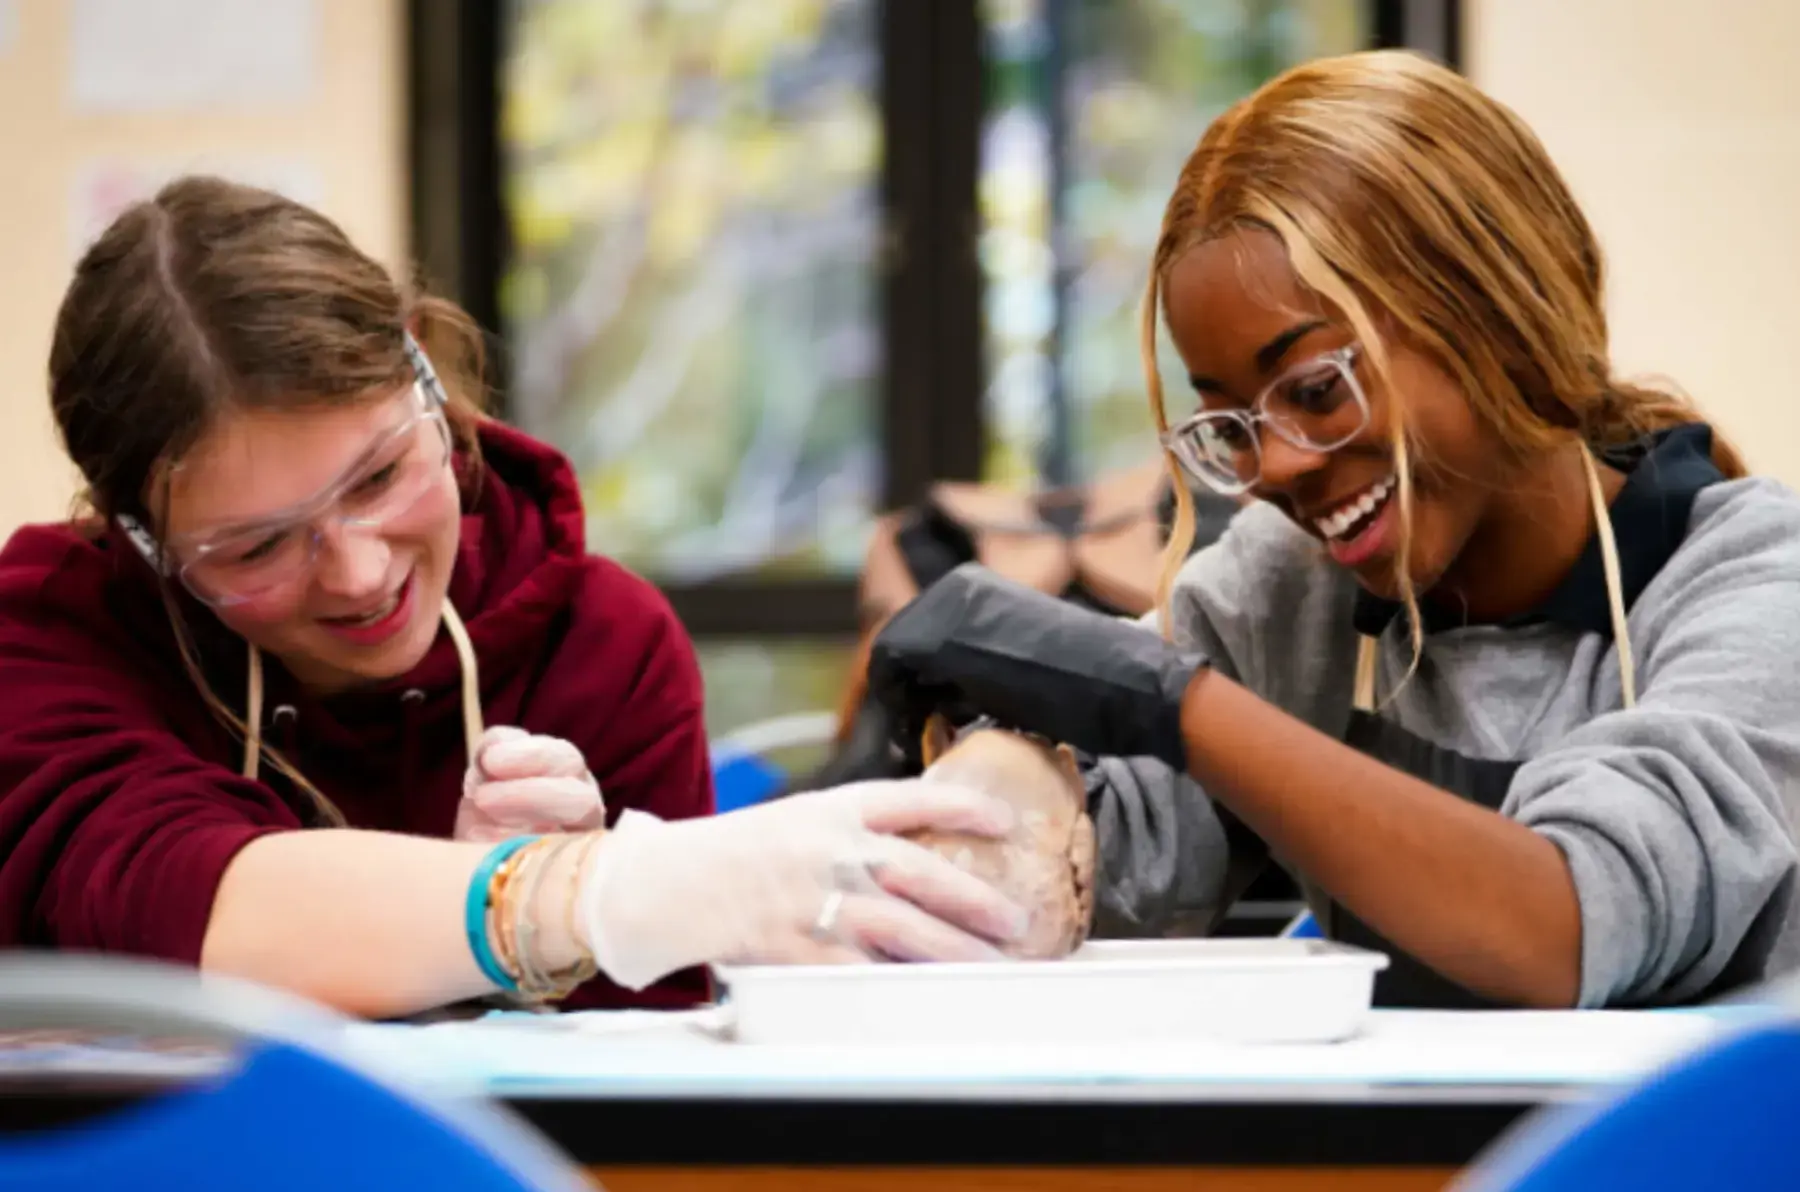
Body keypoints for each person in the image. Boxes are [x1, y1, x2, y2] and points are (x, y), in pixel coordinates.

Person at [867, 49, 1800, 1010]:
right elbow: (1122, 869)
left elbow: (1563, 926)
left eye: (1317, 390)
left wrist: (1169, 702)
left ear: (1498, 312)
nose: (1271, 469)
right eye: (1230, 424)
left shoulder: (1751, 585)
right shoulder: (1292, 588)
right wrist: (977, 780)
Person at [0, 177, 1028, 1020]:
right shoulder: (52, 637)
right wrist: (566, 898)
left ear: (424, 376)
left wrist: (534, 961)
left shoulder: (603, 645)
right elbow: (171, 902)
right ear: (140, 536)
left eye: (378, 476)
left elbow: (647, 1103)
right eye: (257, 546)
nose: (359, 574)